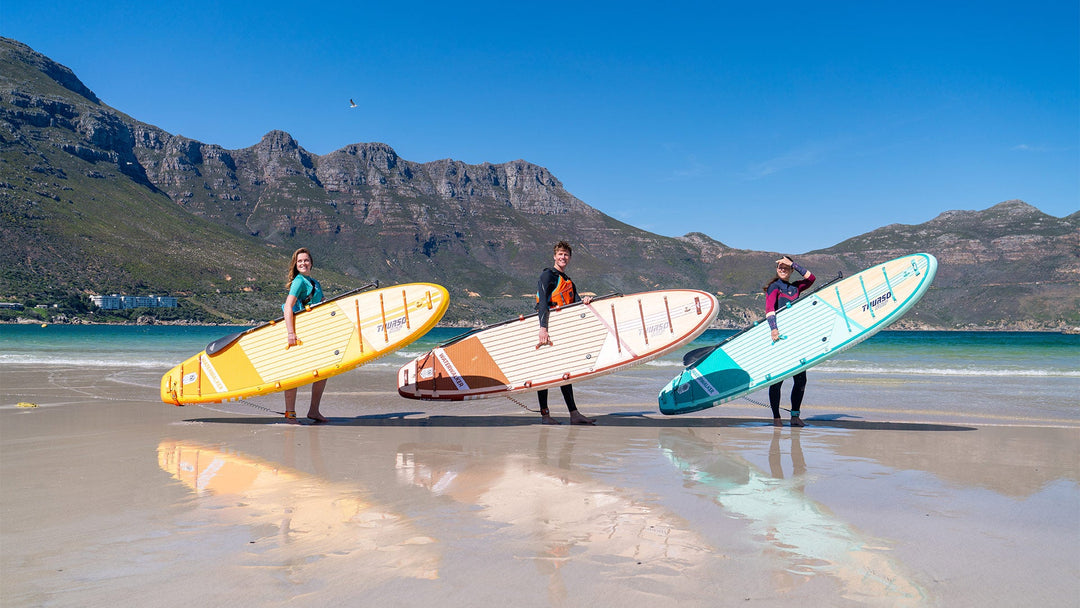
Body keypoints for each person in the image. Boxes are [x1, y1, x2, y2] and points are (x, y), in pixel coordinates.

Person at [535, 241, 596, 425]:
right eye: (560, 254)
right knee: (543, 372)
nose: (563, 257)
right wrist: (543, 328)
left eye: (566, 255)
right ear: (554, 256)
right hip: (546, 328)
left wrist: (585, 301)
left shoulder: (569, 281)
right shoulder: (548, 275)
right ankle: (545, 416)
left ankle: (574, 414)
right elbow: (543, 302)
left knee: (564, 372)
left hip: (560, 330)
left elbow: (575, 305)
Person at [763, 255, 816, 427]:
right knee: (777, 380)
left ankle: (795, 416)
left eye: (786, 267)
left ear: (792, 270)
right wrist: (773, 328)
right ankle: (776, 418)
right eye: (780, 266)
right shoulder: (774, 287)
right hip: (779, 337)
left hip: (795, 338)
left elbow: (811, 278)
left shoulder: (795, 288)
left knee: (800, 379)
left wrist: (793, 263)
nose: (782, 269)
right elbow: (770, 309)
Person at [282, 247, 329, 424]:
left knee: (323, 372)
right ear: (296, 264)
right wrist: (290, 333)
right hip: (299, 333)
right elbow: (288, 307)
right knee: (294, 373)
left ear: (311, 263)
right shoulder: (299, 282)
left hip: (314, 332)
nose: (303, 263)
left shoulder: (315, 283)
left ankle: (314, 411)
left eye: (306, 260)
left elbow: (322, 305)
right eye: (300, 261)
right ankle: (290, 415)